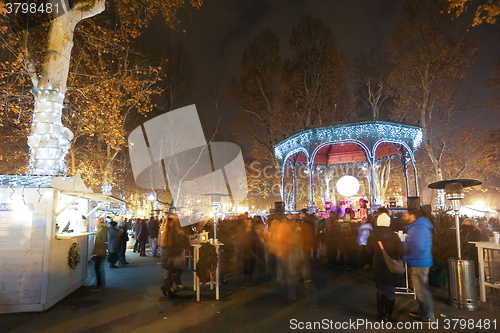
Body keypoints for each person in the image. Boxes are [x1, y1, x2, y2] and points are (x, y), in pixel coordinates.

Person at [366, 208, 405, 322]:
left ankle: (380, 312)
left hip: (377, 263)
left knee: (381, 287)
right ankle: (388, 316)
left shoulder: (372, 235)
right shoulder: (393, 236)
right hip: (390, 264)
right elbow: (402, 252)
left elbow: (368, 251)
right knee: (391, 289)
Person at [402, 208, 435, 323]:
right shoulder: (419, 227)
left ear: (413, 216)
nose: (403, 217)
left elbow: (418, 247)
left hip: (419, 263)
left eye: (405, 215)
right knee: (421, 289)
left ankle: (427, 316)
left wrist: (407, 258)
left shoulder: (418, 228)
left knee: (422, 290)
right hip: (421, 262)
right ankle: (423, 311)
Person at [160, 214, 185, 298]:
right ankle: (166, 289)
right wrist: (180, 236)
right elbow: (176, 243)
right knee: (177, 271)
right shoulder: (172, 232)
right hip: (172, 255)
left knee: (168, 273)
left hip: (167, 255)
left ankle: (167, 290)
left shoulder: (166, 231)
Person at [92, 218, 107, 291]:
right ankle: (101, 284)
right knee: (99, 267)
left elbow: (99, 242)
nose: (94, 222)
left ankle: (99, 285)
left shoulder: (101, 230)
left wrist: (95, 251)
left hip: (100, 252)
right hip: (101, 251)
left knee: (97, 268)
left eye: (96, 220)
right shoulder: (102, 229)